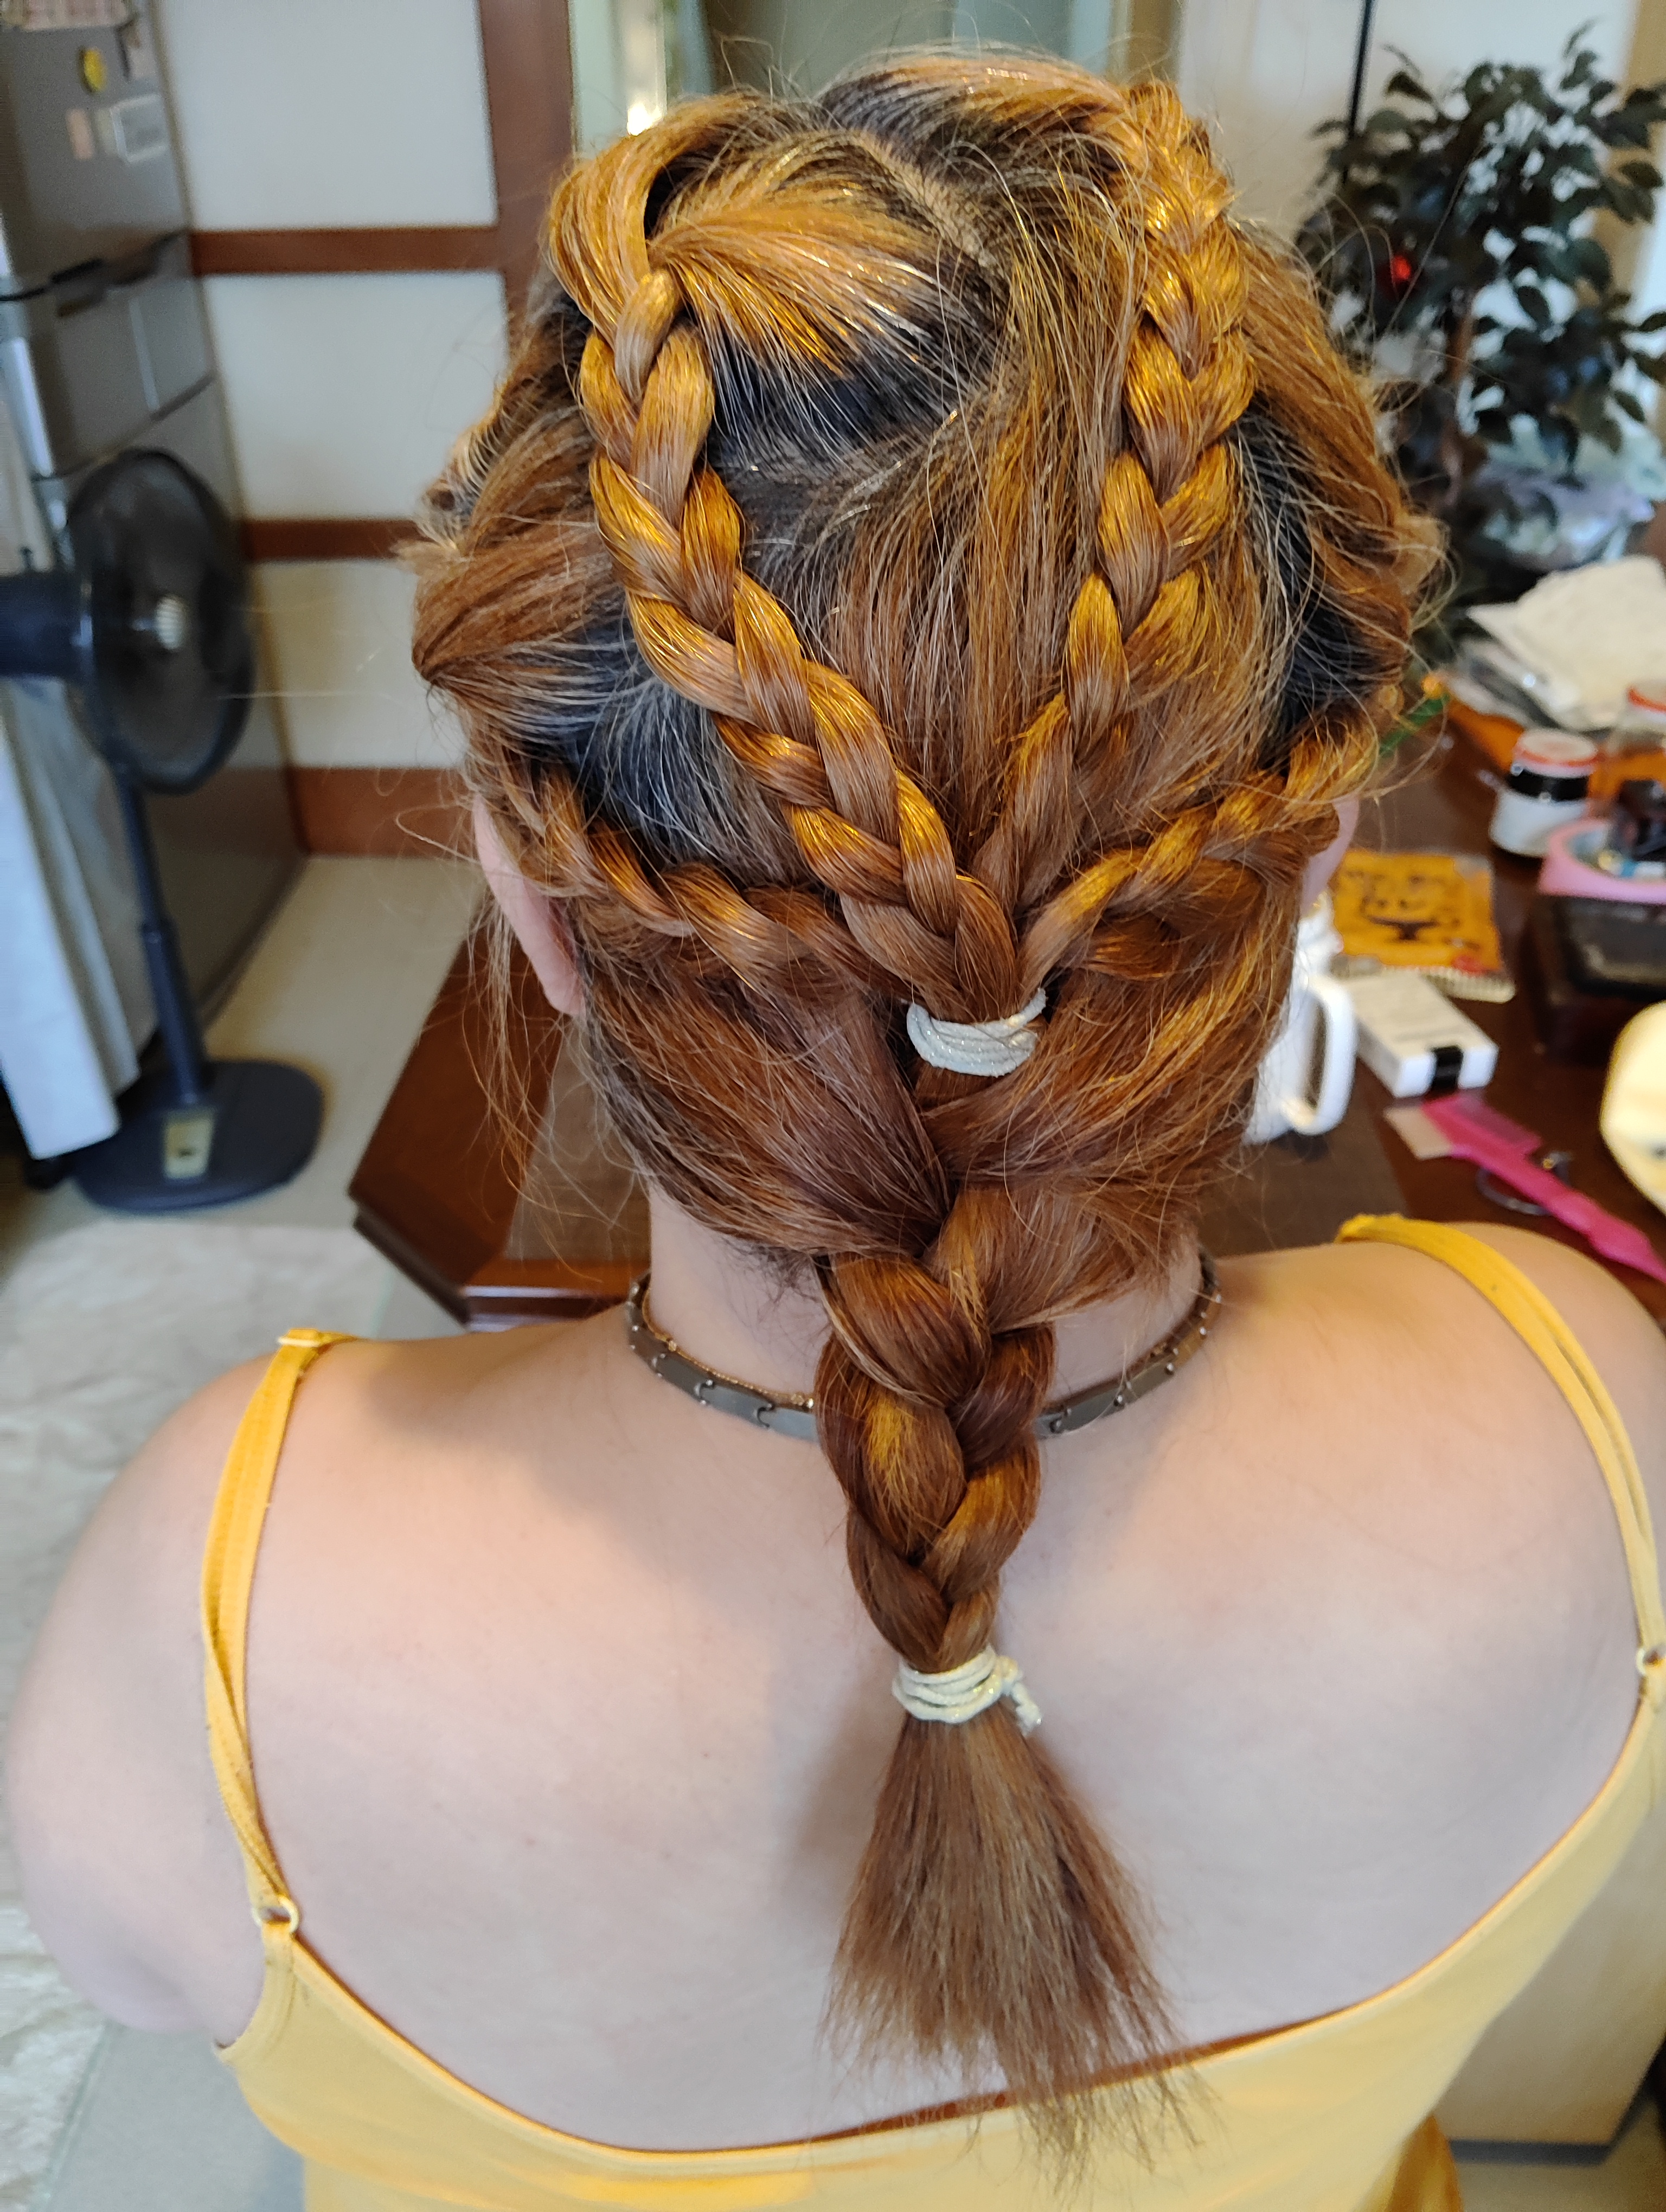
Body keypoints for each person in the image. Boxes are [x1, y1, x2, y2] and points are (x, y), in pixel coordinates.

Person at [10, 53, 1666, 2212]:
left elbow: (128, 1969)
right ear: (1316, 866)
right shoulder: (1592, 1410)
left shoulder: (212, 1610)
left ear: (535, 904)